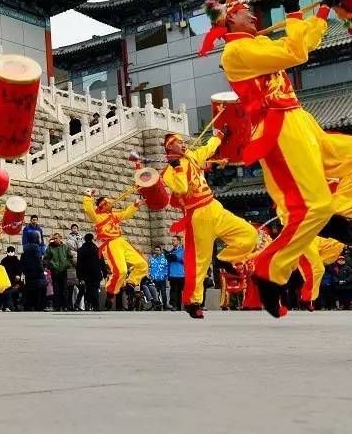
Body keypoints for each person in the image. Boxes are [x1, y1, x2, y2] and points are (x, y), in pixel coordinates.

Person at [203, 0, 352, 317]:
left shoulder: (257, 45)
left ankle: (341, 214)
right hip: (280, 125)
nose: (254, 16)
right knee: (312, 206)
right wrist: (291, 11)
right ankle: (270, 270)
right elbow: (295, 51)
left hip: (301, 119)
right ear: (229, 17)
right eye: (246, 11)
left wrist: (324, 8)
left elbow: (305, 44)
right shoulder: (236, 52)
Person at [162, 131, 259, 318]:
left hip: (214, 206)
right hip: (198, 214)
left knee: (249, 234)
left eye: (183, 142)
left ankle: (226, 258)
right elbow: (181, 188)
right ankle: (193, 301)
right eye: (179, 142)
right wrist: (177, 168)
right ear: (169, 147)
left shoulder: (192, 156)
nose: (183, 144)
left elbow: (208, 148)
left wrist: (219, 136)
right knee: (201, 261)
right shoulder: (168, 172)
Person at [81, 190, 148, 309]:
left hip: (122, 241)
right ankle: (111, 292)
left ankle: (131, 283)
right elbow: (89, 210)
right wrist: (88, 196)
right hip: (111, 244)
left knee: (142, 264)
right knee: (121, 271)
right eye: (106, 202)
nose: (110, 203)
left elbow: (126, 214)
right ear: (102, 205)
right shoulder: (98, 217)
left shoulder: (114, 215)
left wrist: (136, 204)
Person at [43, 233, 73, 311]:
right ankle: (57, 306)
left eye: (57, 238)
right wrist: (50, 266)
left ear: (60, 238)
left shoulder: (65, 247)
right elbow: (45, 258)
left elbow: (70, 257)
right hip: (55, 271)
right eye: (54, 238)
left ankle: (65, 306)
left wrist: (67, 264)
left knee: (65, 289)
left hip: (64, 270)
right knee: (56, 289)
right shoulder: (50, 248)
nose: (55, 239)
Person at [74, 233, 102, 311]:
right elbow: (101, 261)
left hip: (86, 274)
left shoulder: (81, 250)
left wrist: (79, 276)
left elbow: (79, 264)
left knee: (88, 290)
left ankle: (88, 304)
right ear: (92, 239)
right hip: (96, 273)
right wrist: (104, 271)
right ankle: (96, 306)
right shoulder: (96, 249)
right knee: (95, 290)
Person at [0, 247, 22, 312]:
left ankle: (10, 306)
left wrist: (18, 276)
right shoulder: (4, 261)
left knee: (12, 292)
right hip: (7, 281)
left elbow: (19, 271)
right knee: (7, 292)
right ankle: (7, 306)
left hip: (14, 281)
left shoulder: (16, 261)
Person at [166, 236, 185, 311]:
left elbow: (185, 260)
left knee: (178, 290)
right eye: (172, 240)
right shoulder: (172, 251)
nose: (173, 241)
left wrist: (176, 257)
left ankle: (177, 306)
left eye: (174, 240)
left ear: (179, 241)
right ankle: (174, 306)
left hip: (180, 274)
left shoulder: (182, 250)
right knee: (173, 290)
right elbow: (169, 263)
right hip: (172, 274)